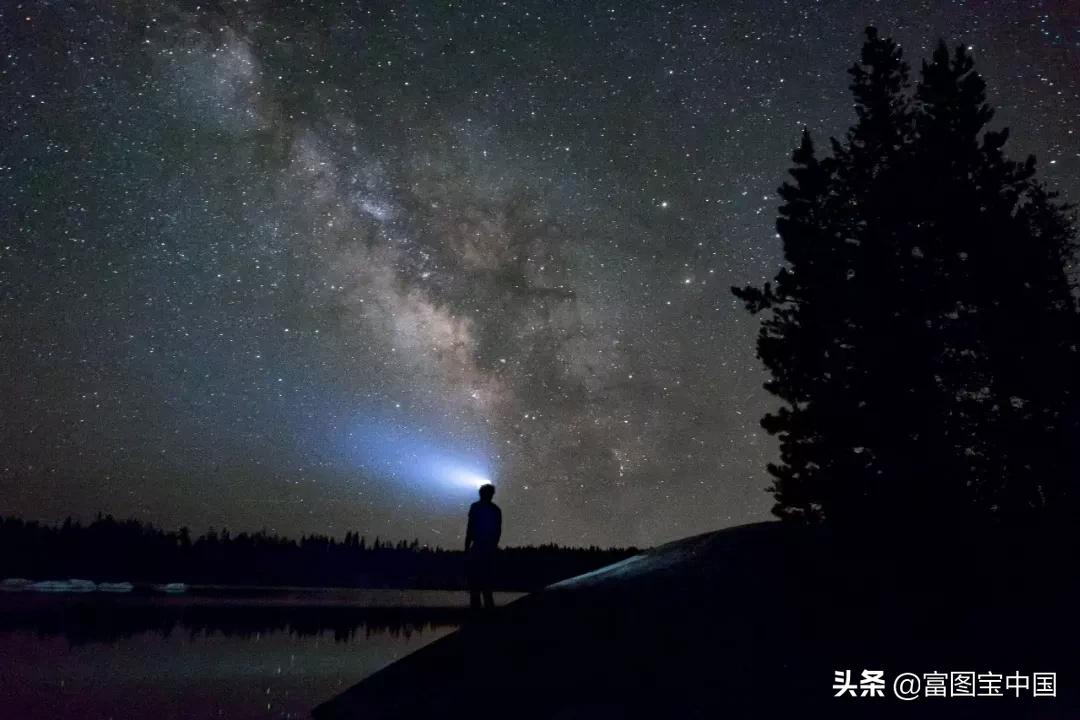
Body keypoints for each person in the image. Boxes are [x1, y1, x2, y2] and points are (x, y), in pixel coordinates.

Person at [465, 483, 501, 610]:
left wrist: (466, 548)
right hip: (488, 550)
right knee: (486, 587)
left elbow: (470, 529)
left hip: (479, 549)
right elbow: (497, 532)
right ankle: (488, 620)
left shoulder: (475, 507)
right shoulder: (496, 510)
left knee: (476, 586)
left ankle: (476, 620)